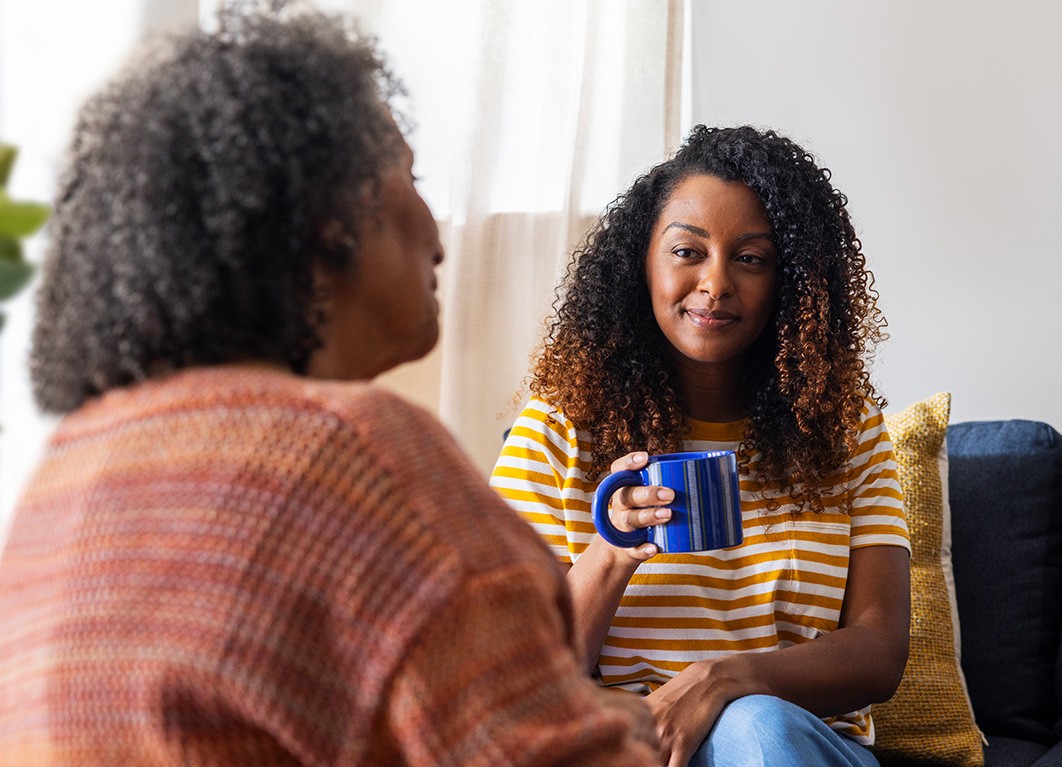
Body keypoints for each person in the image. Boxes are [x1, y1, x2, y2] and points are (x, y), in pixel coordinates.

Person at [0, 9, 660, 766]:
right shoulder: (360, 454)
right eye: (409, 179)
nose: (437, 232)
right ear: (325, 218)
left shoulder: (66, 471)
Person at [491, 125, 911, 767]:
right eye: (689, 251)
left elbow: (881, 651)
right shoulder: (558, 429)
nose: (715, 284)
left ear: (790, 282)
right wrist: (612, 551)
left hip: (792, 746)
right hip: (630, 750)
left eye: (751, 259)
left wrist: (726, 680)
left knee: (753, 727)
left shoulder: (842, 428)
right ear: (643, 261)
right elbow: (515, 680)